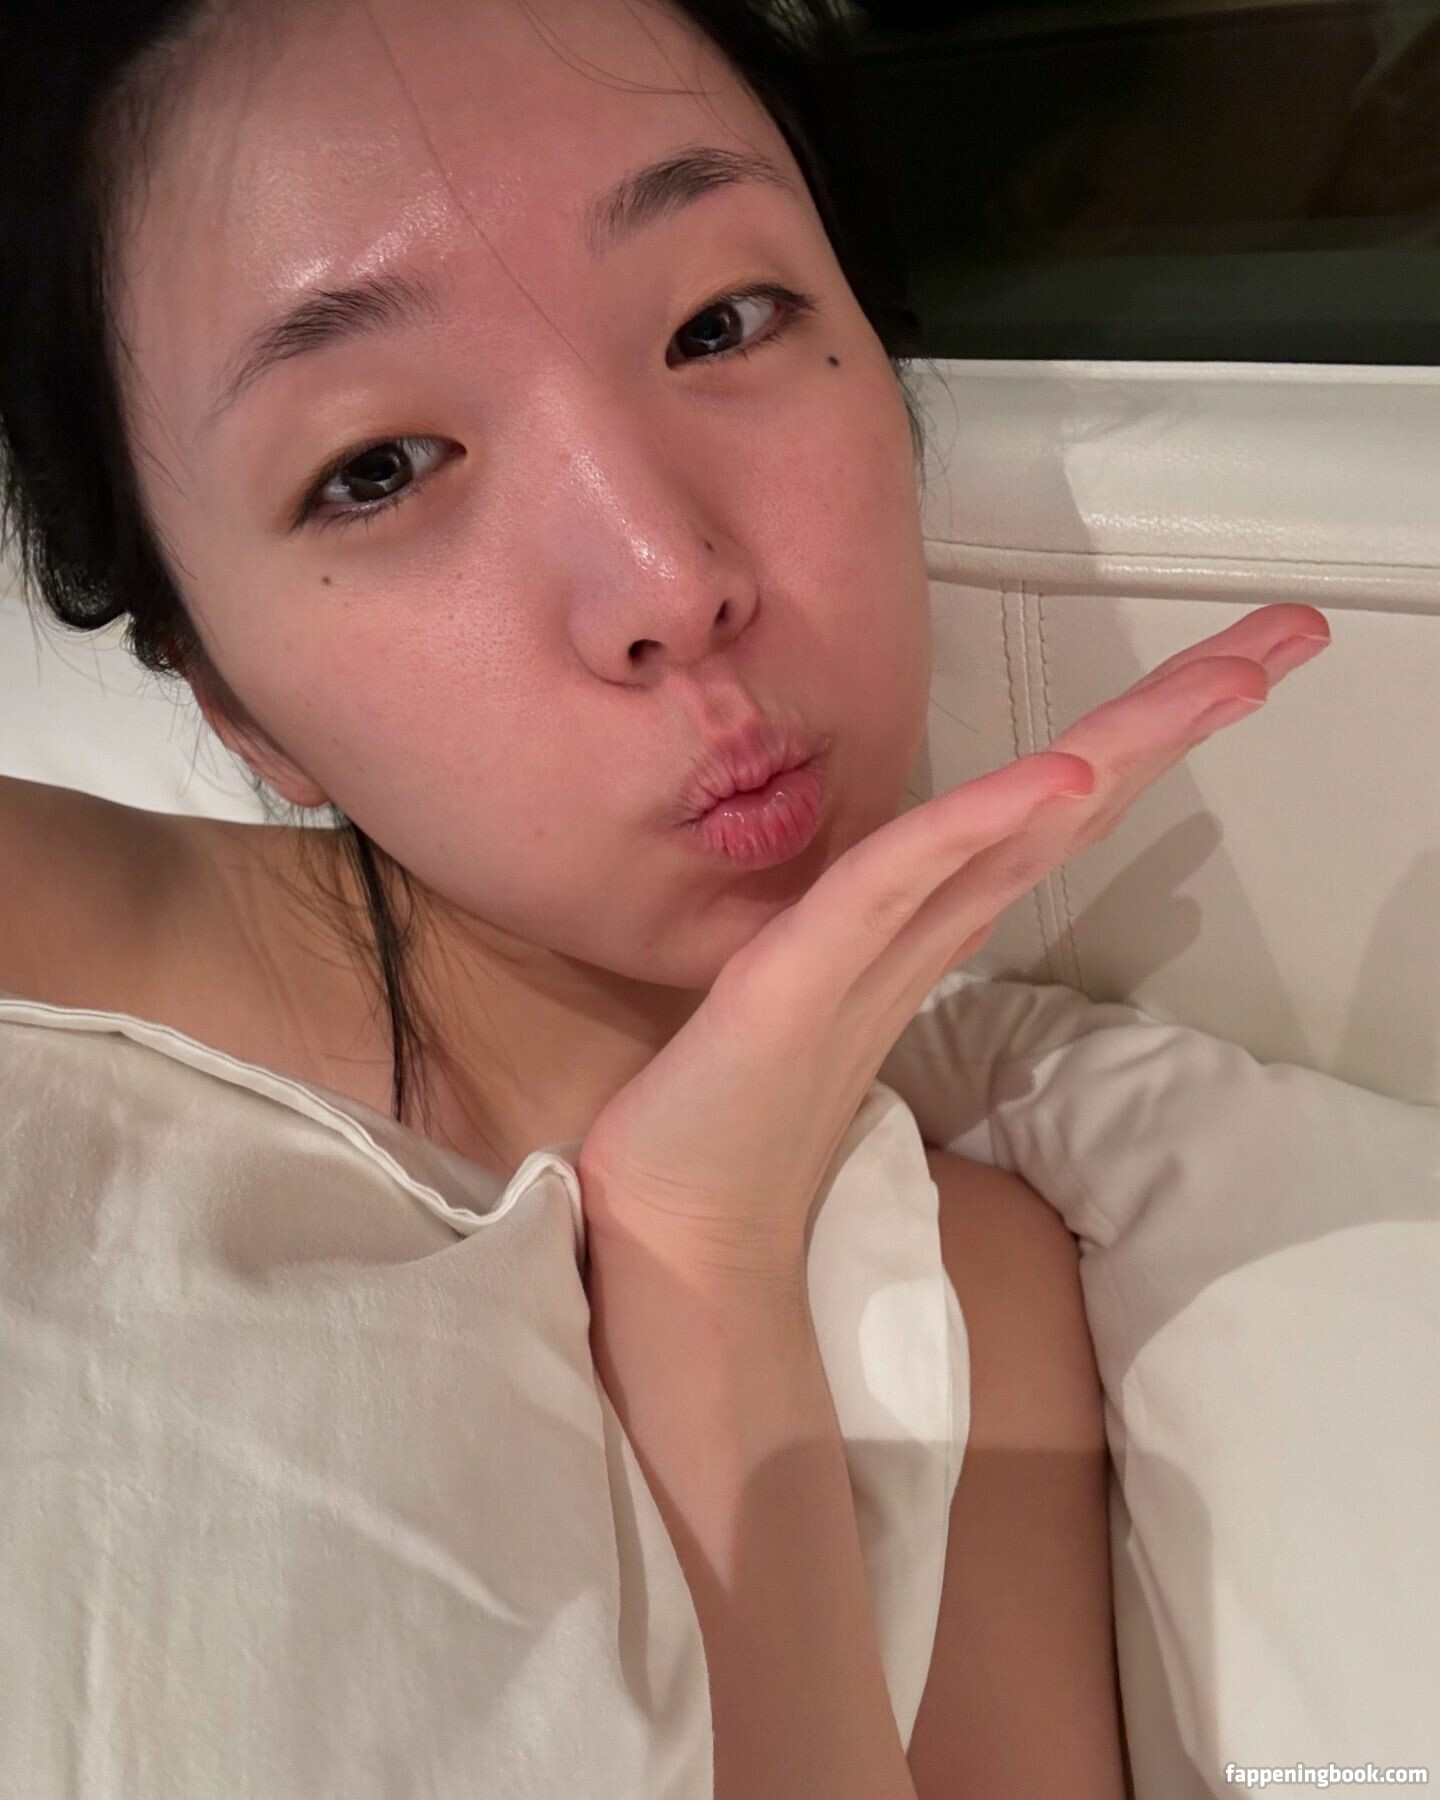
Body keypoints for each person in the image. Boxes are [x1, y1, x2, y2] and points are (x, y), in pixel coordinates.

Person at [0, 0, 1330, 1792]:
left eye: (721, 322)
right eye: (376, 468)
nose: (669, 582)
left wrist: (707, 1262)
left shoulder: (973, 1310)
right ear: (226, 694)